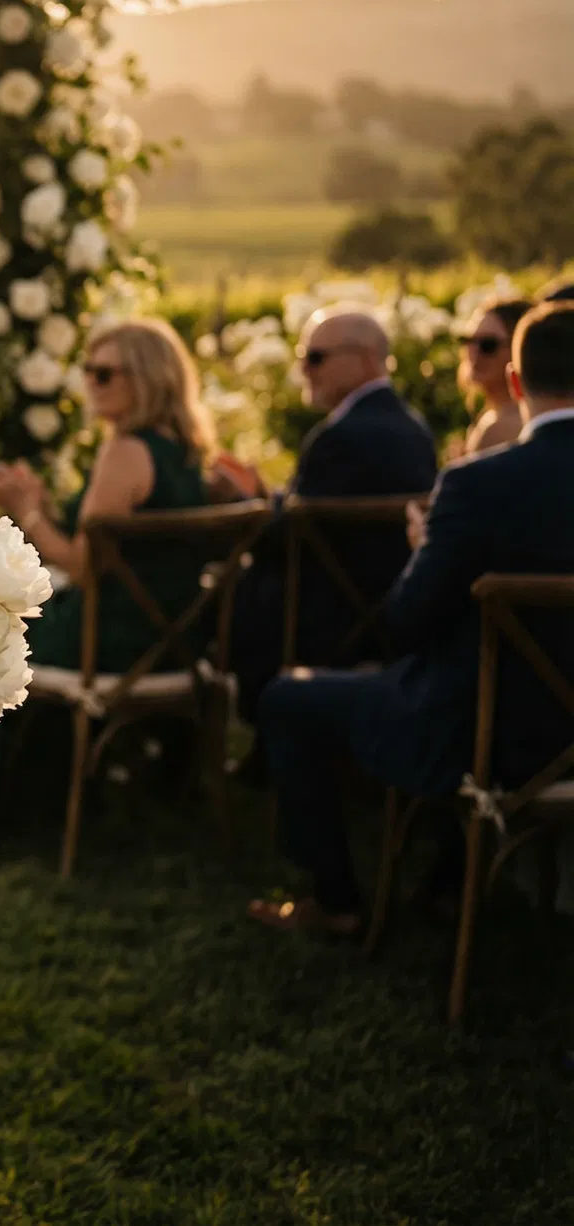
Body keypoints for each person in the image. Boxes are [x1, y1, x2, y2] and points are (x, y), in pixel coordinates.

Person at [250, 301, 574, 934]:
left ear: (513, 382)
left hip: (491, 734)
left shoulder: (476, 486)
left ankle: (337, 902)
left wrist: (426, 548)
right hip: (557, 736)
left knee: (289, 697)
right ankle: (447, 886)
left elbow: (405, 622)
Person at [0, 319, 218, 842]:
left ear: (146, 378)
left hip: (109, 642)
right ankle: (35, 792)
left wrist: (25, 511)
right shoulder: (184, 451)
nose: (91, 382)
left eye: (105, 372)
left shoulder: (125, 452)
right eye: (87, 371)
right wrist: (40, 505)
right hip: (170, 641)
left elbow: (84, 567)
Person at [229, 307, 438, 724]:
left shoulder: (340, 437)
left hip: (331, 624)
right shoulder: (413, 428)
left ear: (363, 359)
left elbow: (285, 539)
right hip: (388, 609)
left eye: (316, 357)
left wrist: (244, 505)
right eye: (302, 356)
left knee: (238, 591)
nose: (304, 368)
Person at [457, 297, 533, 457]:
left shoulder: (497, 428)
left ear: (518, 350)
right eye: (468, 341)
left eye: (488, 345)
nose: (474, 353)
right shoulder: (498, 416)